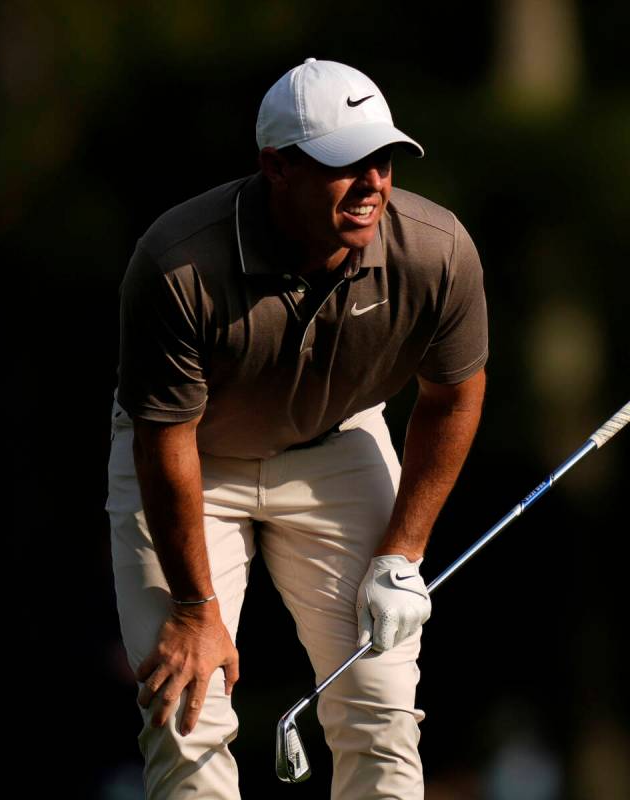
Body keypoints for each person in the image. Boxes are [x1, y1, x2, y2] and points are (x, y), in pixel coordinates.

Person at [107, 58, 488, 800]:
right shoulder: (179, 263)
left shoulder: (435, 251)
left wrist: (402, 555)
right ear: (277, 167)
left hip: (336, 444)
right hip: (190, 459)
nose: (373, 183)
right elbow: (164, 440)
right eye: (346, 163)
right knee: (187, 711)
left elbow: (452, 399)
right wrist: (194, 611)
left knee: (381, 708)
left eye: (384, 160)